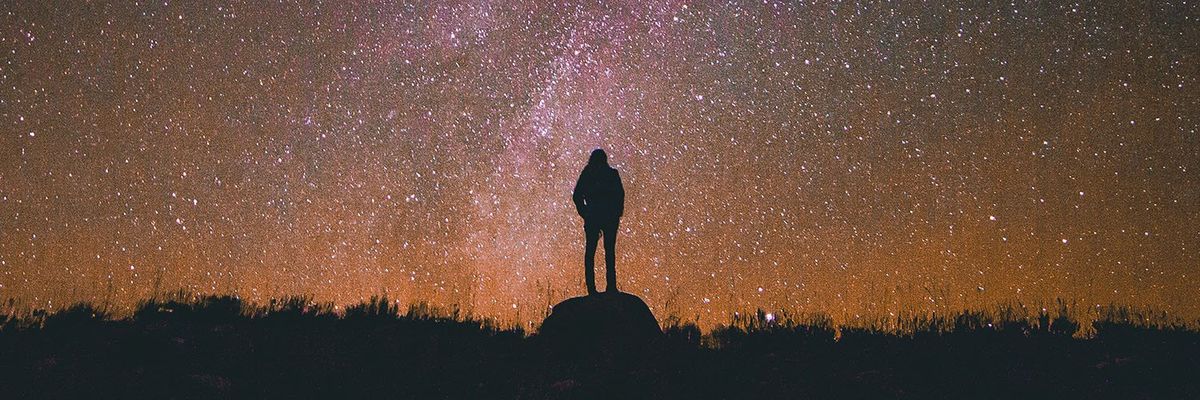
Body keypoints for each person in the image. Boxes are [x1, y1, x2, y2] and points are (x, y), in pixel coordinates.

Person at [572, 149, 624, 295]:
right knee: (608, 252)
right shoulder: (610, 174)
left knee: (591, 253)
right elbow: (619, 196)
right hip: (605, 218)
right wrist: (615, 215)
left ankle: (593, 290)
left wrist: (585, 213)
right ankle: (610, 288)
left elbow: (577, 196)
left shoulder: (588, 174)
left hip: (596, 217)